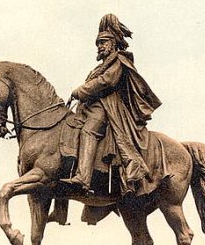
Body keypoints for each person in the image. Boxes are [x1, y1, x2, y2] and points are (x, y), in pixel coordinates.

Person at [68, 14, 161, 196]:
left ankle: (83, 177)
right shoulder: (100, 66)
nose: (100, 46)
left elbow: (106, 82)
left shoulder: (119, 60)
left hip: (109, 108)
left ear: (113, 43)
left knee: (89, 130)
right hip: (93, 106)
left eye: (103, 42)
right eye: (98, 43)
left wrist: (80, 91)